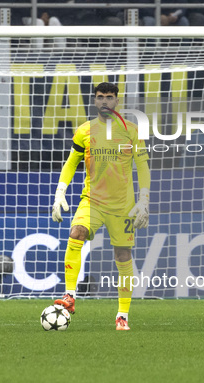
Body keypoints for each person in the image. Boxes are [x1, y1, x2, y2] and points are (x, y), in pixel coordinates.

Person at [51, 82, 151, 331]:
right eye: (100, 97)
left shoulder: (132, 130)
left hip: (123, 206)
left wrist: (144, 200)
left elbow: (143, 167)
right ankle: (70, 296)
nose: (104, 101)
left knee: (123, 256)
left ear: (117, 101)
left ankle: (122, 316)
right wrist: (60, 192)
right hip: (92, 200)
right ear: (94, 101)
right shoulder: (84, 131)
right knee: (76, 233)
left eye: (109, 97)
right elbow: (71, 162)